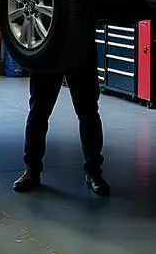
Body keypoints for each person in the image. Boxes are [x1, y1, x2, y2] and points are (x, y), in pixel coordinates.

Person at [13, 39, 110, 196]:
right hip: (48, 49)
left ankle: (94, 173)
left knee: (88, 112)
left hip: (80, 48)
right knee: (38, 112)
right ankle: (32, 171)